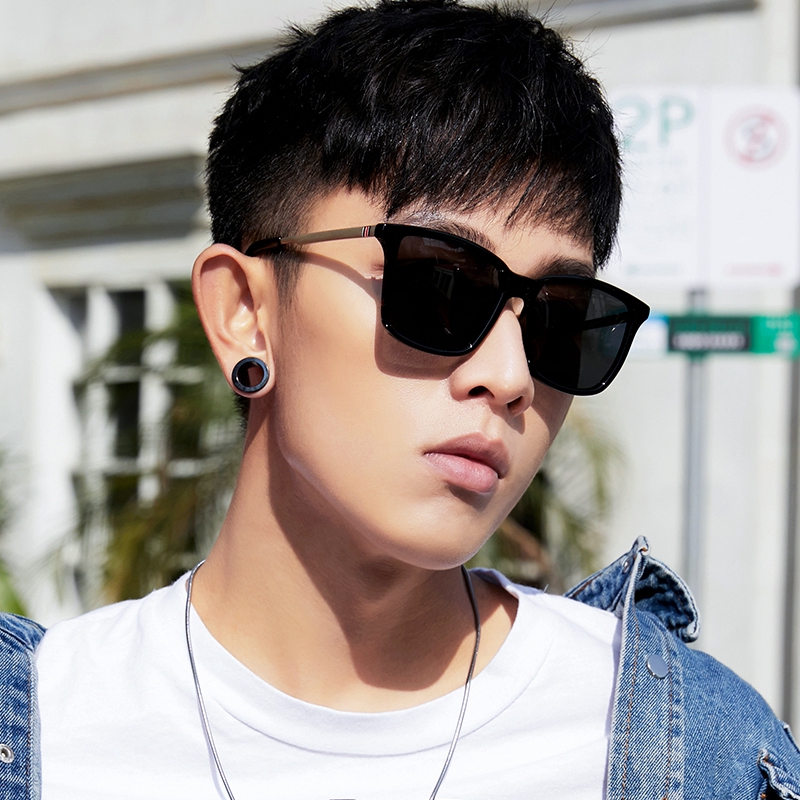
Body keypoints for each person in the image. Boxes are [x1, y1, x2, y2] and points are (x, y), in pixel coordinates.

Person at [0, 1, 797, 798]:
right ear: (244, 312)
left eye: (562, 317)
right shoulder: (52, 731)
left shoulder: (700, 753)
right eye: (439, 285)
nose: (510, 377)